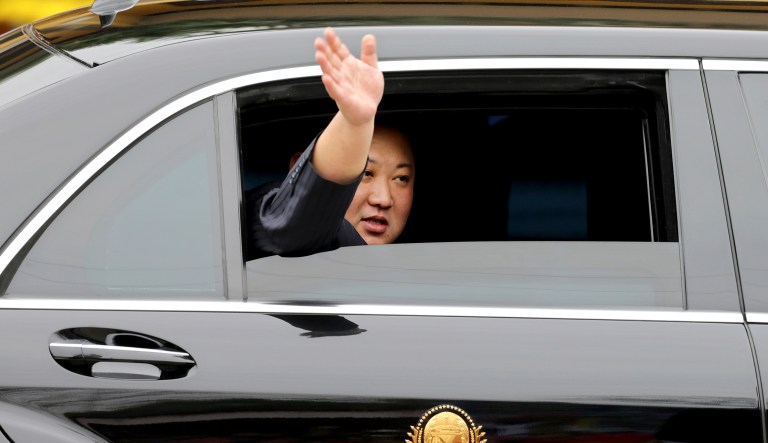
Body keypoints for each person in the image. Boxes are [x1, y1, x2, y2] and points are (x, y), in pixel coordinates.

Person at [245, 28, 415, 260]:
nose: (383, 199)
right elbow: (296, 225)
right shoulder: (316, 239)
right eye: (366, 172)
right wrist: (355, 123)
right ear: (298, 168)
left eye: (401, 178)